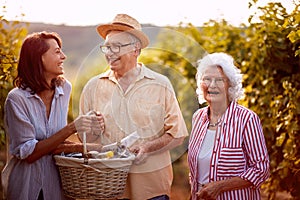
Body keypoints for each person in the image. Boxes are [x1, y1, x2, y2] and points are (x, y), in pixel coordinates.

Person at [79, 14, 188, 200]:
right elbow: (86, 143)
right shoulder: (93, 87)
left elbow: (177, 135)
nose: (109, 53)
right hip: (107, 190)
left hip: (151, 191)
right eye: (107, 46)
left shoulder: (160, 84)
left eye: (117, 46)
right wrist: (92, 132)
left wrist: (148, 147)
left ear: (136, 50)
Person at [1, 31, 104, 200]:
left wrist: (91, 130)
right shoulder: (16, 99)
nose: (63, 56)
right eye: (57, 52)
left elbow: (56, 142)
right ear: (39, 58)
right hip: (26, 187)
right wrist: (72, 127)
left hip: (55, 186)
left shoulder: (65, 90)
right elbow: (29, 154)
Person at [188, 52, 270, 200]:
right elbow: (195, 173)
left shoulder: (247, 119)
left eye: (219, 80)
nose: (212, 85)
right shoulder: (198, 118)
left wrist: (219, 186)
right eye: (207, 79)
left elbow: (261, 170)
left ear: (229, 85)